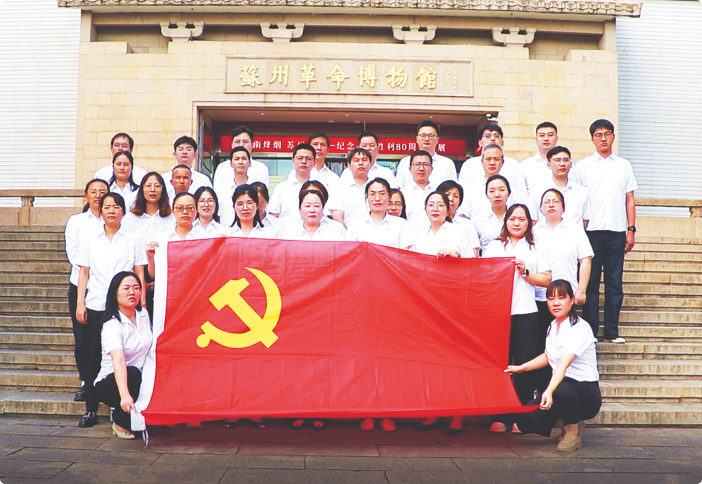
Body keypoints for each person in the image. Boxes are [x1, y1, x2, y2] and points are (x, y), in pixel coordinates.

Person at [75, 192, 147, 429]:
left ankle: (121, 404)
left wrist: (142, 301)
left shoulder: (133, 238)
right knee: (93, 357)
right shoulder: (90, 238)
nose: (112, 211)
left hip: (123, 304)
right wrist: (80, 303)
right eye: (107, 207)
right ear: (100, 210)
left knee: (120, 354)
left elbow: (139, 271)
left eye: (116, 207)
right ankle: (91, 410)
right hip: (96, 303)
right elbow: (84, 272)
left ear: (123, 211)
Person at [507, 280, 601, 452]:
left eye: (561, 297)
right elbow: (548, 356)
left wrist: (549, 390)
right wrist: (520, 368)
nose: (556, 303)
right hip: (562, 387)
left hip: (585, 393)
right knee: (524, 421)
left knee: (563, 389)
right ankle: (569, 422)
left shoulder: (579, 328)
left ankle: (572, 433)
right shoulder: (553, 326)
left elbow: (562, 365)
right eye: (551, 298)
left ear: (572, 300)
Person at [484, 204, 551, 433]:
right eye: (512, 218)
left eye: (521, 219)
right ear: (506, 221)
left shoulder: (536, 247)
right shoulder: (495, 246)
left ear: (529, 222)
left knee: (523, 365)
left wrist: (526, 273)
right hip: (497, 313)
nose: (516, 223)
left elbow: (547, 280)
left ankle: (520, 419)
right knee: (499, 365)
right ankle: (499, 416)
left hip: (525, 311)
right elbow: (484, 274)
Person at [574, 119, 638, 343]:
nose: (603, 138)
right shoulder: (582, 167)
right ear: (592, 138)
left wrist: (631, 229)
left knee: (614, 283)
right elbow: (576, 200)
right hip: (590, 233)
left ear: (613, 137)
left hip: (616, 232)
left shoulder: (624, 165)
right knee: (590, 284)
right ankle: (591, 331)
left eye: (607, 134)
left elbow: (630, 200)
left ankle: (612, 331)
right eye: (598, 134)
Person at [533, 189, 593, 389]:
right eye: (546, 202)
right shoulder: (534, 231)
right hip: (539, 296)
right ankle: (542, 390)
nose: (551, 205)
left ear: (563, 207)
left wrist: (581, 290)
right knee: (542, 345)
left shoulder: (575, 230)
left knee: (566, 344)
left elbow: (585, 260)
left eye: (555, 201)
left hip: (566, 297)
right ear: (540, 208)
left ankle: (561, 389)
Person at [65, 178, 109, 402]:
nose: (98, 195)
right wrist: (94, 268)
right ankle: (86, 381)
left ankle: (104, 380)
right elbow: (74, 254)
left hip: (107, 286)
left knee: (105, 336)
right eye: (93, 191)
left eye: (102, 191)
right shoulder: (76, 222)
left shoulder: (115, 219)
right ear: (86, 195)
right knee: (83, 337)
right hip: (81, 285)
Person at [94, 271, 152, 439]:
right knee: (132, 372)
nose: (132, 292)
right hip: (113, 382)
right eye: (126, 288)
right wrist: (124, 395)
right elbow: (118, 360)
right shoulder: (112, 325)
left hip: (140, 377)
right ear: (115, 294)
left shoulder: (143, 315)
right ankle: (120, 423)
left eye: (136, 288)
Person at [458, 124, 526, 198]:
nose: (493, 139)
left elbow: (521, 193)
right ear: (480, 142)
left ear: (502, 142)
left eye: (496, 136)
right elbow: (462, 192)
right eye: (487, 136)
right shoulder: (469, 165)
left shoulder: (513, 165)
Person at [459, 143, 523, 219]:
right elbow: (463, 216)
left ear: (502, 162)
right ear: (482, 162)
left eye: (496, 159)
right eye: (488, 159)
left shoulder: (511, 191)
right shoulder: (470, 190)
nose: (492, 163)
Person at [530, 146, 590, 227]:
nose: (562, 164)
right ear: (549, 164)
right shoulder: (537, 190)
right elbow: (533, 219)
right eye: (557, 160)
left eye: (566, 160)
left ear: (571, 164)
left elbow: (585, 220)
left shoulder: (581, 191)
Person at [346, 178, 411, 249]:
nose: (377, 198)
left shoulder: (400, 224)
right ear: (367, 197)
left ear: (389, 197)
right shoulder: (355, 224)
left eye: (382, 194)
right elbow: (349, 251)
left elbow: (406, 253)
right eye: (372, 194)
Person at [410, 191, 475, 260]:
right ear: (425, 210)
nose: (435, 209)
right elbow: (410, 260)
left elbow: (470, 261)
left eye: (440, 205)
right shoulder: (418, 233)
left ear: (447, 211)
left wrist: (455, 256)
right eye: (431, 205)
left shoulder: (459, 231)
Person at [395, 120, 457, 188]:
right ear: (417, 139)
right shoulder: (405, 162)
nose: (427, 139)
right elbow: (398, 187)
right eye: (423, 135)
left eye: (431, 135)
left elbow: (452, 189)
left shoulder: (447, 163)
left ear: (437, 139)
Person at [121, 172, 175, 245]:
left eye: (157, 186)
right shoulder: (129, 219)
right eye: (148, 186)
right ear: (142, 189)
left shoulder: (172, 218)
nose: (152, 190)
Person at [213, 125, 269, 192]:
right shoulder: (222, 168)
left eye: (245, 142)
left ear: (252, 145)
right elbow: (217, 194)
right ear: (232, 144)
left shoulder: (261, 169)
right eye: (237, 142)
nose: (241, 145)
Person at [268, 144, 316, 222]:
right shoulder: (281, 188)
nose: (304, 161)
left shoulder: (319, 188)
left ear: (314, 162)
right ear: (293, 161)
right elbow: (273, 215)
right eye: (300, 158)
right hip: (286, 229)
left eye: (308, 158)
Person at [275, 189, 345, 241]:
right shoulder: (289, 236)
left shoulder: (334, 236)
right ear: (300, 209)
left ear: (322, 209)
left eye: (317, 206)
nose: (312, 210)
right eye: (307, 206)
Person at [328, 148, 372, 227]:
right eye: (356, 160)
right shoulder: (341, 189)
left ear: (370, 164)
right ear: (349, 165)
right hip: (347, 232)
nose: (360, 163)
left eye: (364, 160)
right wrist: (349, 232)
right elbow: (337, 217)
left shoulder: (377, 188)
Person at [436, 180, 481, 258]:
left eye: (456, 196)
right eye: (447, 194)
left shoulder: (467, 224)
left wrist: (456, 256)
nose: (451, 199)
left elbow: (474, 254)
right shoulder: (428, 224)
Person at [162, 136, 212, 200]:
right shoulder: (164, 178)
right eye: (181, 149)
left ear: (195, 155)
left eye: (188, 149)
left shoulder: (203, 180)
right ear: (174, 154)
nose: (184, 152)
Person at [521, 122, 560, 201]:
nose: (546, 139)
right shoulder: (525, 166)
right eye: (542, 135)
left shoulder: (566, 165)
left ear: (556, 138)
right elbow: (521, 194)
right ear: (536, 139)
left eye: (550, 135)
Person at [216, 146, 252, 227]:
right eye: (237, 159)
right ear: (231, 164)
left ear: (249, 163)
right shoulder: (221, 190)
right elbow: (217, 216)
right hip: (226, 232)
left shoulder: (254, 188)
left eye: (244, 158)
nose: (240, 162)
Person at [472, 175, 510, 250]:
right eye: (492, 191)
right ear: (486, 195)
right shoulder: (478, 220)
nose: (497, 195)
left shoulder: (517, 218)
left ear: (509, 193)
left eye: (501, 190)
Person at [401, 150, 435, 224]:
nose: (421, 168)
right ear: (410, 169)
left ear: (431, 169)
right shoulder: (402, 194)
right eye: (417, 164)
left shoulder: (437, 192)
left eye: (426, 164)